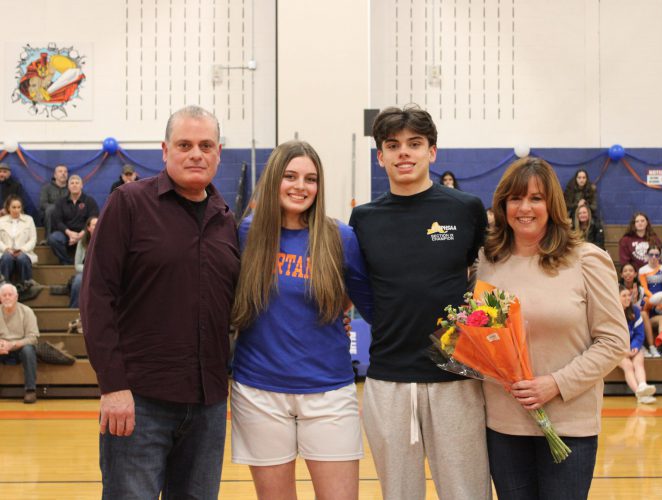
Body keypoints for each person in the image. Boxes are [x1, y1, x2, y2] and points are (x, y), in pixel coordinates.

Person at [81, 105, 240, 499]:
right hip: (138, 403)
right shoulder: (129, 204)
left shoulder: (226, 220)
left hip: (208, 406)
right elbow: (97, 298)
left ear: (219, 152)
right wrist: (112, 386)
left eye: (206, 145)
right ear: (164, 150)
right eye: (184, 144)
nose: (196, 154)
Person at [349, 105, 490, 500]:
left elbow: (486, 281)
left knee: (467, 492)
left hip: (455, 376)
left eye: (415, 143)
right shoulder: (363, 218)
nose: (403, 153)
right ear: (380, 156)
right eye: (393, 146)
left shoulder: (465, 209)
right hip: (388, 378)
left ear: (432, 151)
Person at [477, 156, 628, 499]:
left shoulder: (586, 259)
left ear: (552, 205)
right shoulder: (488, 261)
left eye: (536, 198)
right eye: (515, 198)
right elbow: (484, 335)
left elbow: (614, 340)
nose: (524, 208)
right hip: (504, 426)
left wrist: (556, 384)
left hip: (569, 425)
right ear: (502, 206)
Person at [230, 140, 373, 500]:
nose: (300, 186)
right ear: (274, 178)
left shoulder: (339, 237)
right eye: (290, 176)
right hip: (259, 390)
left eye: (310, 179)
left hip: (328, 389)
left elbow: (374, 306)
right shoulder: (244, 234)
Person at [0, 283, 39, 404]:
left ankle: (30, 390)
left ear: (16, 297)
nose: (7, 297)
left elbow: (33, 338)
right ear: (0, 298)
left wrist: (13, 344)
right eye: (4, 295)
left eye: (10, 295)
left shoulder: (27, 312)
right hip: (1, 348)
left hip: (19, 348)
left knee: (29, 350)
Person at [47, 174, 99, 265]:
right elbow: (58, 221)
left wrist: (82, 234)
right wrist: (69, 233)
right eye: (72, 183)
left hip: (85, 233)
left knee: (94, 236)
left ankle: (88, 263)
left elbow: (93, 219)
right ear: (68, 186)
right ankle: (68, 262)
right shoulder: (61, 202)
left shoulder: (89, 201)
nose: (74, 185)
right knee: (53, 239)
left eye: (77, 183)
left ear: (81, 185)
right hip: (66, 234)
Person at [618, 285, 657, 404]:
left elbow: (640, 334)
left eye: (628, 295)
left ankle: (643, 386)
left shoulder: (635, 310)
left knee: (638, 361)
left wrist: (634, 347)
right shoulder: (612, 313)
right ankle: (639, 394)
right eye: (623, 296)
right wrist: (624, 351)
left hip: (632, 346)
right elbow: (610, 338)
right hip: (616, 349)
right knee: (628, 365)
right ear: (616, 298)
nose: (627, 298)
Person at [0, 195, 38, 286]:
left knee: (22, 258)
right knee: (6, 258)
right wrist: (6, 249)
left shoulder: (29, 220)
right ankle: (4, 286)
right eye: (13, 207)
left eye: (18, 207)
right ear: (8, 208)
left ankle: (27, 285)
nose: (16, 210)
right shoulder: (1, 221)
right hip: (5, 251)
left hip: (24, 251)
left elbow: (33, 239)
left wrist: (22, 250)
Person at [69, 216, 97, 308]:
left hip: (102, 273)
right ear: (88, 228)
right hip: (86, 271)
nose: (97, 226)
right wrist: (90, 269)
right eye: (94, 225)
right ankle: (74, 309)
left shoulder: (107, 241)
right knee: (78, 281)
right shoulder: (82, 242)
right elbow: (77, 265)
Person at [39, 164, 69, 235]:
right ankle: (48, 237)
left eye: (65, 172)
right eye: (60, 171)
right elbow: (43, 204)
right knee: (50, 209)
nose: (63, 173)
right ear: (55, 175)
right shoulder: (46, 188)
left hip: (67, 213)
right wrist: (57, 208)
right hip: (51, 214)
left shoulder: (71, 188)